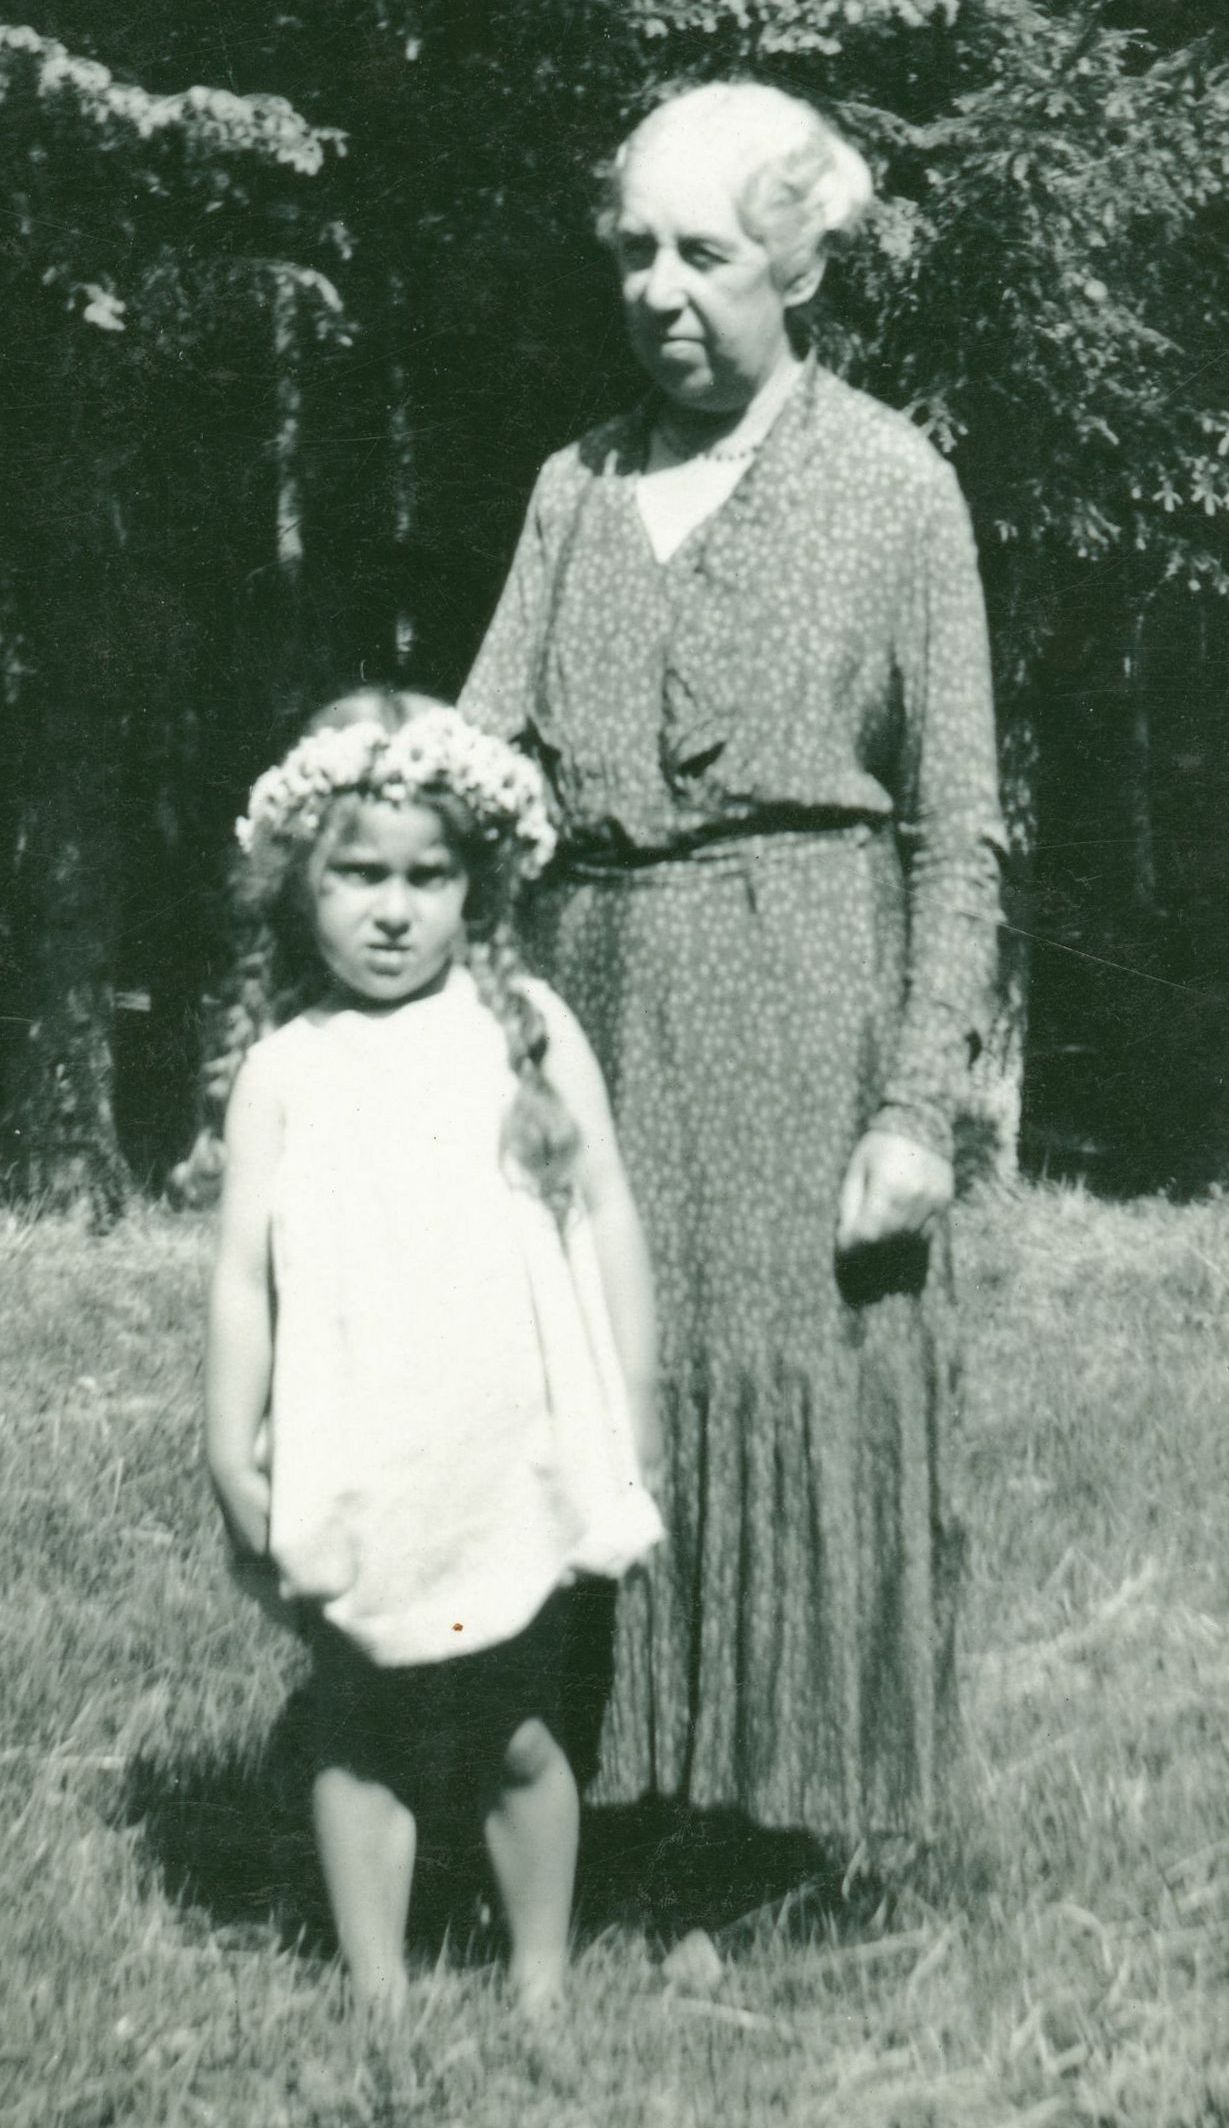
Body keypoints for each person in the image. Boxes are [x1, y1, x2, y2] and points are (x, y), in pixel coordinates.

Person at [460, 82, 1005, 1849]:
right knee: (598, 1381)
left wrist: (916, 1109)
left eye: (705, 254)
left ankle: (767, 1824)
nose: (660, 291)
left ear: (803, 266)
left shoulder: (896, 488)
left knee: (781, 1389)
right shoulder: (573, 489)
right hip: (592, 1009)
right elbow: (476, 766)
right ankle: (596, 1798)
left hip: (803, 1012)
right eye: (634, 252)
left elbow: (958, 827)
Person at [203, 691, 663, 2016]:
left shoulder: (525, 1030)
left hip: (504, 1450)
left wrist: (632, 1411)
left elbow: (609, 1216)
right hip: (357, 1444)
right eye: (359, 875)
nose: (394, 911)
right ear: (299, 883)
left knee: (516, 1727)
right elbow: (241, 1282)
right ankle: (381, 1996)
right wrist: (229, 1445)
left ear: (479, 884)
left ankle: (539, 1983)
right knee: (361, 1727)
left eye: (429, 875)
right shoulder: (287, 1069)